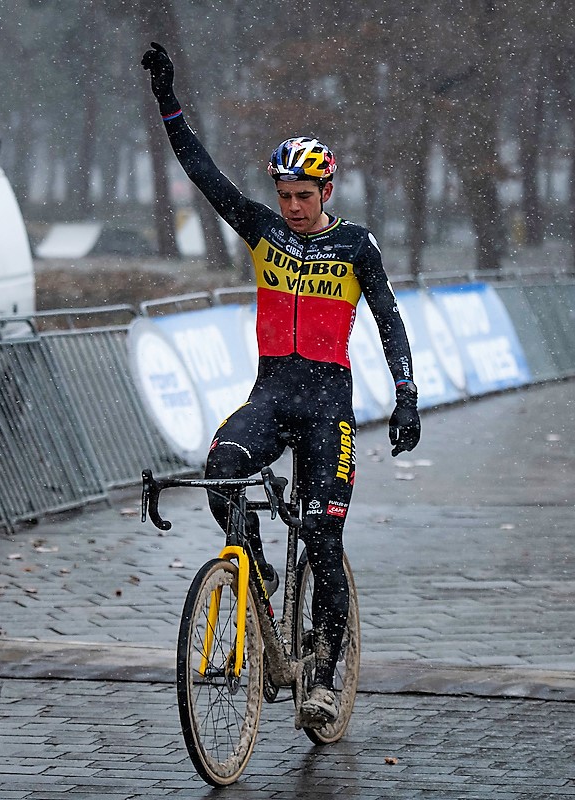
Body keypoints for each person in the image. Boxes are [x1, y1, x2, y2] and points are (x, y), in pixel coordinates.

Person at [141, 42, 420, 727]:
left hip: (330, 409)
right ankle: (258, 570)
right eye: (285, 195)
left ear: (328, 192)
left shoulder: (355, 246)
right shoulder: (263, 231)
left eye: (304, 196)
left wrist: (407, 395)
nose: (292, 207)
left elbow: (389, 322)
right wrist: (169, 106)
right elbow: (205, 178)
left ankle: (323, 674)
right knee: (220, 468)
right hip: (270, 396)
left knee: (325, 539)